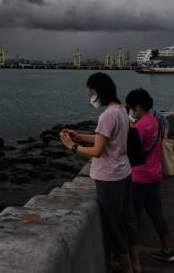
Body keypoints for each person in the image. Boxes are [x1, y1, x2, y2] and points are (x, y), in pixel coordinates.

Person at [59, 73, 139, 273]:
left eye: (92, 92)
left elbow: (97, 150)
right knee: (128, 219)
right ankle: (136, 264)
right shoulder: (121, 109)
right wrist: (79, 135)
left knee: (115, 225)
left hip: (109, 178)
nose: (91, 96)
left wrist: (72, 145)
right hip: (124, 172)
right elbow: (104, 139)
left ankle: (127, 269)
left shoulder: (106, 115)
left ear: (101, 91)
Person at [125, 88, 174, 263]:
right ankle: (168, 250)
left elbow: (128, 149)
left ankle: (133, 259)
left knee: (134, 218)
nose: (132, 110)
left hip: (139, 177)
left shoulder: (140, 126)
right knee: (156, 213)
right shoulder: (153, 121)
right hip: (154, 175)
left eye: (132, 107)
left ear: (137, 107)